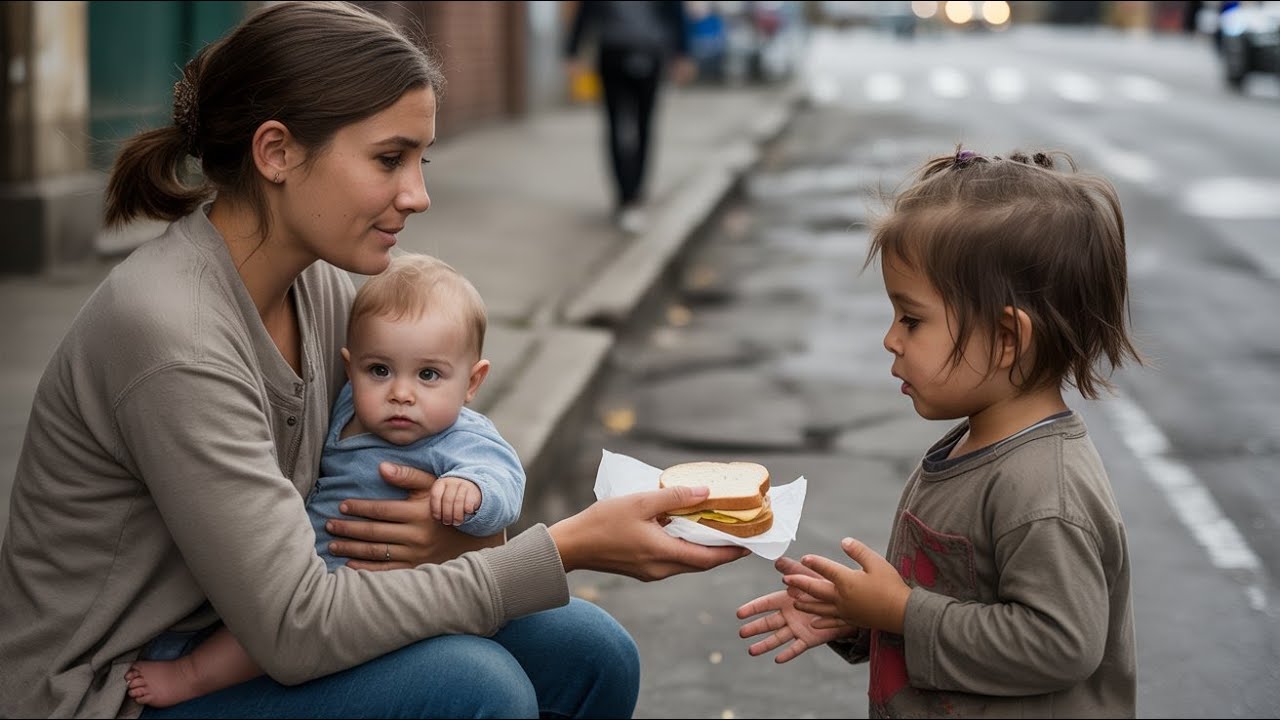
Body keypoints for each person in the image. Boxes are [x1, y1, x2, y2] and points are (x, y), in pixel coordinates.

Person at [0, 3, 747, 718]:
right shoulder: (175, 337)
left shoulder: (320, 286)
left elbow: (421, 478)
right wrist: (569, 546)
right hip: (120, 688)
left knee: (593, 653)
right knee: (473, 688)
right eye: (390, 159)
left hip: (248, 624)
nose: (418, 195)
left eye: (420, 159)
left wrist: (458, 529)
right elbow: (295, 627)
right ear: (277, 152)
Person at [736, 147, 1142, 717]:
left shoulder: (1044, 490)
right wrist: (859, 616)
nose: (890, 339)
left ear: (1007, 337)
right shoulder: (970, 445)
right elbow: (957, 603)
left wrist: (901, 613)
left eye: (912, 319)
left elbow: (1060, 646)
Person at [123, 252, 524, 707]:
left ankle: (192, 676)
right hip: (312, 582)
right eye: (380, 370)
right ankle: (195, 672)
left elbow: (504, 480)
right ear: (350, 369)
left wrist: (471, 493)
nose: (401, 393)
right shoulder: (350, 406)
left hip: (384, 584)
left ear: (473, 383)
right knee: (253, 638)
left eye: (428, 374)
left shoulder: (460, 436)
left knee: (251, 648)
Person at [564, 0, 695, 235]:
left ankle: (636, 194)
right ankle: (624, 196)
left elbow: (675, 10)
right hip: (613, 54)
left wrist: (683, 53)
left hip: (651, 52)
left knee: (645, 127)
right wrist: (573, 51)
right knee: (615, 127)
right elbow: (587, 10)